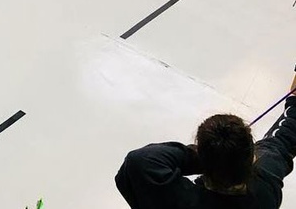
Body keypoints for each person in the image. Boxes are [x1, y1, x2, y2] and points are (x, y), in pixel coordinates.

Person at [116, 68, 296, 208]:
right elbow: (289, 130)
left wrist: (211, 155)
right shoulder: (265, 188)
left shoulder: (174, 200)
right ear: (252, 158)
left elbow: (140, 160)